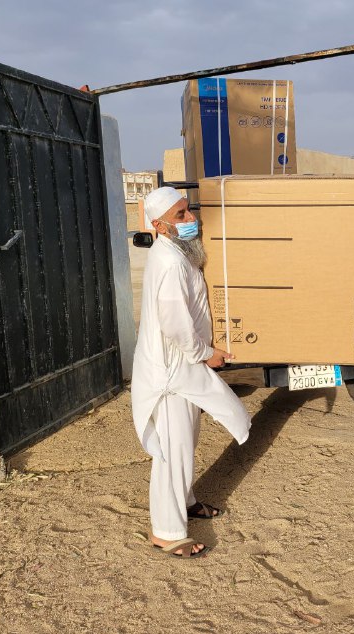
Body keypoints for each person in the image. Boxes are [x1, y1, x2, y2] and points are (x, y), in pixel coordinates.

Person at [131, 186, 252, 559]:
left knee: (186, 440)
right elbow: (174, 323)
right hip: (170, 372)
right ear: (160, 225)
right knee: (173, 449)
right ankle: (166, 532)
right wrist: (206, 353)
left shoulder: (177, 254)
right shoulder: (169, 263)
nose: (191, 219)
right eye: (181, 215)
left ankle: (185, 501)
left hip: (183, 365)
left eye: (189, 211)